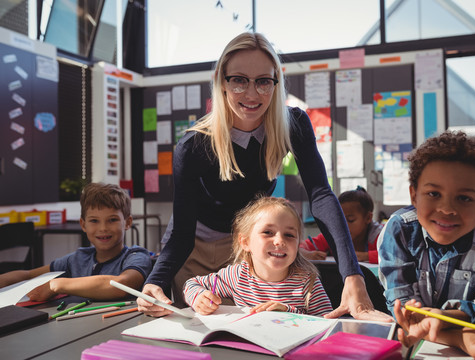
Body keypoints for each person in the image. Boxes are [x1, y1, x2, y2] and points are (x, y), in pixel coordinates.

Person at [137, 32, 390, 321]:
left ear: (276, 82)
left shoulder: (293, 124)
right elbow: (181, 231)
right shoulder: (194, 144)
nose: (252, 94)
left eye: (263, 81)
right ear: (222, 80)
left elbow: (320, 195)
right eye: (239, 80)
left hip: (249, 245)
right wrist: (155, 282)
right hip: (195, 247)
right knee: (203, 331)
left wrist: (351, 274)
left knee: (256, 326)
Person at [378, 130, 475, 357]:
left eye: (464, 198)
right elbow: (403, 310)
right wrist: (460, 338)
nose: (447, 209)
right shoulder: (399, 229)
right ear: (414, 196)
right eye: (433, 193)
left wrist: (434, 321)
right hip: (432, 343)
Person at [0, 182, 153, 301]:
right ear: (83, 225)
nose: (103, 228)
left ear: (127, 222)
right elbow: (28, 275)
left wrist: (58, 285)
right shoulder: (78, 258)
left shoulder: (137, 256)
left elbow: (121, 285)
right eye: (94, 221)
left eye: (112, 220)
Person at [184, 196, 333, 316]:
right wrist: (199, 297)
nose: (280, 241)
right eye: (268, 232)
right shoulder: (237, 275)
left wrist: (289, 313)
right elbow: (190, 284)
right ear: (245, 242)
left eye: (289, 235)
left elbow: (326, 324)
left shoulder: (308, 282)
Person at [300, 186, 383, 263]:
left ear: (368, 218)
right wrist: (308, 254)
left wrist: (364, 256)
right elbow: (299, 248)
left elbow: (393, 255)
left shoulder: (381, 235)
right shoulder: (333, 234)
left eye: (350, 220)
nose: (343, 225)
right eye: (339, 220)